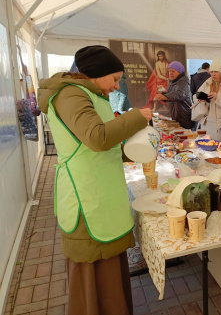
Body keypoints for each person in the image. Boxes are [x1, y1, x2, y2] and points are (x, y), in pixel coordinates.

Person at [37, 45, 153, 315]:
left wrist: (129, 151)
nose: (116, 86)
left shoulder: (87, 94)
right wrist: (135, 117)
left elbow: (101, 141)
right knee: (93, 273)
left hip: (100, 195)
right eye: (114, 79)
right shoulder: (69, 94)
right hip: (86, 199)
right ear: (96, 74)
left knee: (109, 273)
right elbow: (96, 137)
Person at [193, 57, 221, 140]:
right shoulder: (207, 83)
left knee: (217, 146)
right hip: (206, 121)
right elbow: (195, 96)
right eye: (212, 72)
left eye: (216, 72)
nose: (213, 74)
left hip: (220, 124)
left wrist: (217, 98)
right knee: (204, 145)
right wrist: (199, 99)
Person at [154, 61, 195, 129]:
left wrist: (166, 96)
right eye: (169, 71)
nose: (170, 73)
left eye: (173, 71)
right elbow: (172, 96)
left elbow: (180, 94)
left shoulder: (183, 81)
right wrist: (163, 95)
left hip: (184, 119)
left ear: (179, 72)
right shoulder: (172, 82)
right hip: (176, 118)